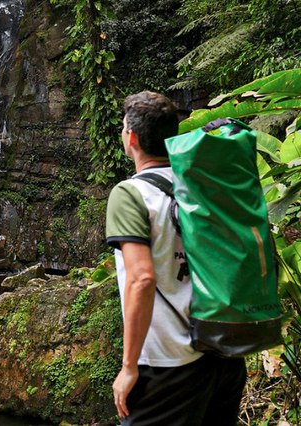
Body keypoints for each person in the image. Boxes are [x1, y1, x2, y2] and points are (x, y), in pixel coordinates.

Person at [105, 91, 246, 425]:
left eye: (124, 128)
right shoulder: (203, 187)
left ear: (132, 137)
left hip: (168, 365)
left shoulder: (130, 194)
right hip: (223, 357)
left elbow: (142, 279)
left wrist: (128, 368)